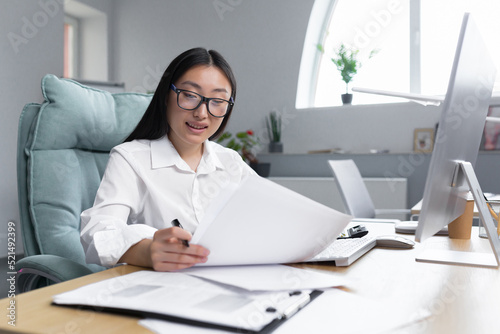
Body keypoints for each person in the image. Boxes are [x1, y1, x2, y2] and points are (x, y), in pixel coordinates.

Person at [80, 47, 256, 272]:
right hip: (161, 288)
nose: (202, 113)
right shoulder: (130, 158)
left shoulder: (230, 161)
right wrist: (147, 250)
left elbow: (272, 216)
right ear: (166, 95)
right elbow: (97, 233)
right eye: (190, 95)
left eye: (217, 101)